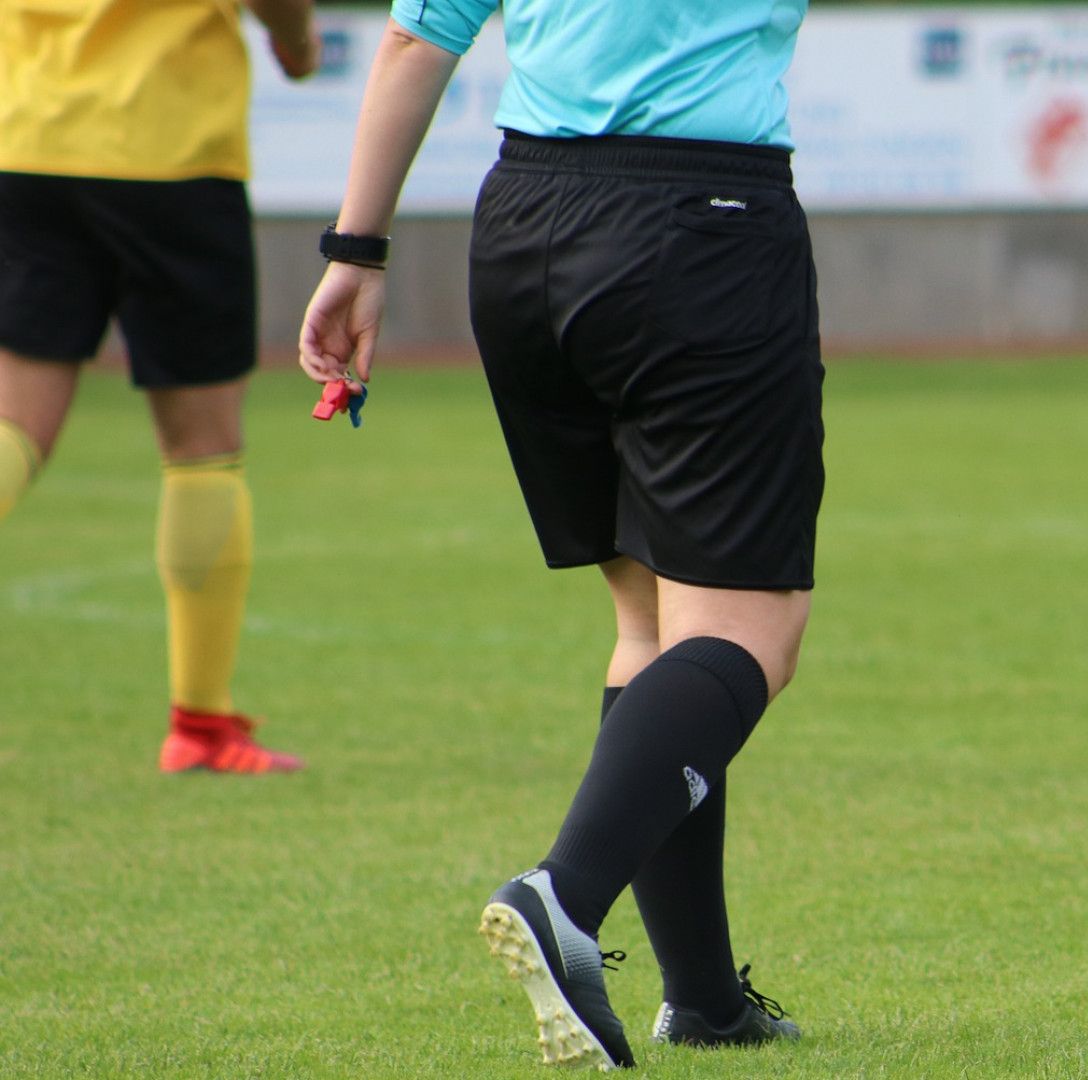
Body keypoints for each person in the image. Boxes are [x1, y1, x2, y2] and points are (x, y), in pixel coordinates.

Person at [297, 1, 820, 1067]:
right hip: (701, 226)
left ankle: (707, 1001)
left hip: (528, 225)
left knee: (650, 619)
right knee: (747, 637)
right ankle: (563, 898)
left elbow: (413, 39)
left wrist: (355, 248)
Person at [0, 0, 317, 774]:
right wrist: (294, 39)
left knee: (14, 424)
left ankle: (203, 727)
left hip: (27, 134)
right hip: (167, 148)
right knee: (202, 446)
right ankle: (201, 725)